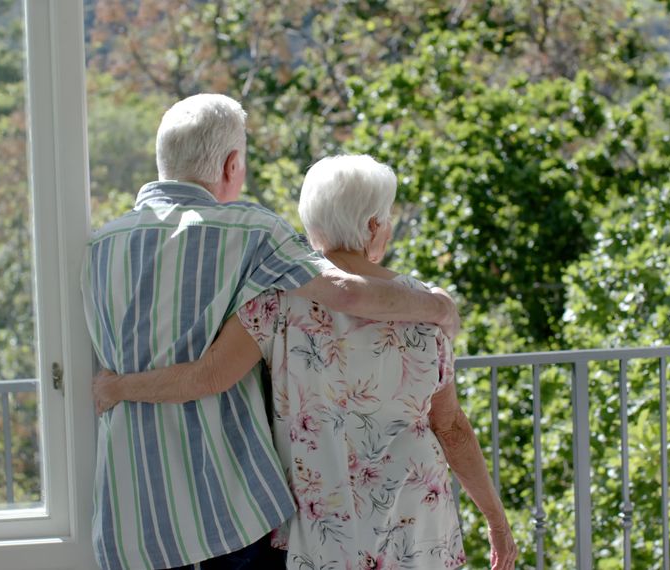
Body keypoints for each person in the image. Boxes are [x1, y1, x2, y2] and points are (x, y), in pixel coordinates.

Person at [81, 96, 460, 570]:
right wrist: (437, 305)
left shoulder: (99, 245)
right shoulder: (251, 229)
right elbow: (342, 291)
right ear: (231, 164)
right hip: (228, 507)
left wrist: (116, 388)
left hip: (132, 507)